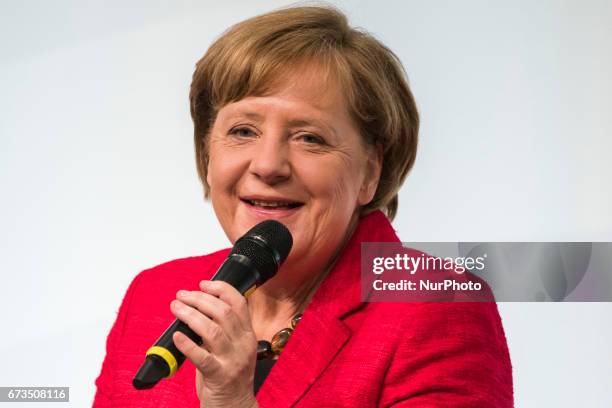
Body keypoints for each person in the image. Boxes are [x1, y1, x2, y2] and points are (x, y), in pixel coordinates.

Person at [93, 5, 513, 407]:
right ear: (207, 153)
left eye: (310, 137)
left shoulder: (437, 307)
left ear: (370, 171)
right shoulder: (154, 297)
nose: (268, 165)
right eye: (242, 130)